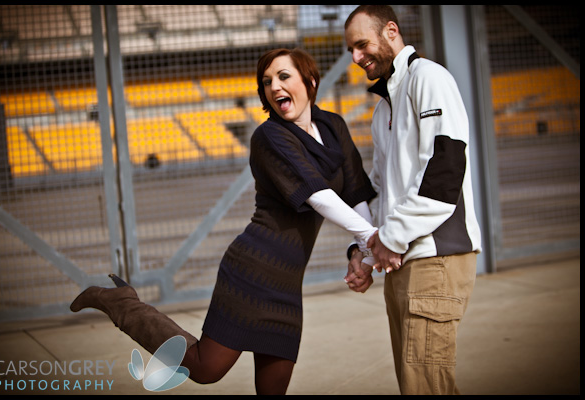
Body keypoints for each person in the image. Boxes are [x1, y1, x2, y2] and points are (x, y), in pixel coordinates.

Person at [70, 48, 378, 395]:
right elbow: (317, 195)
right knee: (206, 368)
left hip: (288, 283)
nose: (273, 86)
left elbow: (354, 190)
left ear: (310, 80)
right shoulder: (270, 137)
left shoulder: (333, 126)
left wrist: (364, 252)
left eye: (283, 76)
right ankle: (123, 303)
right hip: (252, 271)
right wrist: (373, 238)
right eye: (266, 82)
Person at [343, 5, 482, 395]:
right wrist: (363, 253)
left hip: (435, 256)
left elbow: (444, 171)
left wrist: (390, 239)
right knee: (418, 385)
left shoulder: (429, 78)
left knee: (426, 387)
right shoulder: (384, 106)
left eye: (361, 45)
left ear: (391, 31)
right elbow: (382, 190)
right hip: (403, 259)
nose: (355, 58)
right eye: (350, 50)